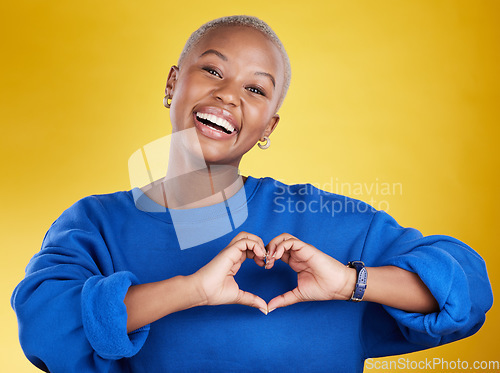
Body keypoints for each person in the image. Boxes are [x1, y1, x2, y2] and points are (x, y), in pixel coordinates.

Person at [11, 15, 493, 373]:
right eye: (213, 72)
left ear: (269, 127)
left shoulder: (327, 222)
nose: (230, 96)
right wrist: (190, 291)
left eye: (256, 90)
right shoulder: (95, 224)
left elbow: (468, 292)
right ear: (172, 84)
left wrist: (351, 283)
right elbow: (45, 326)